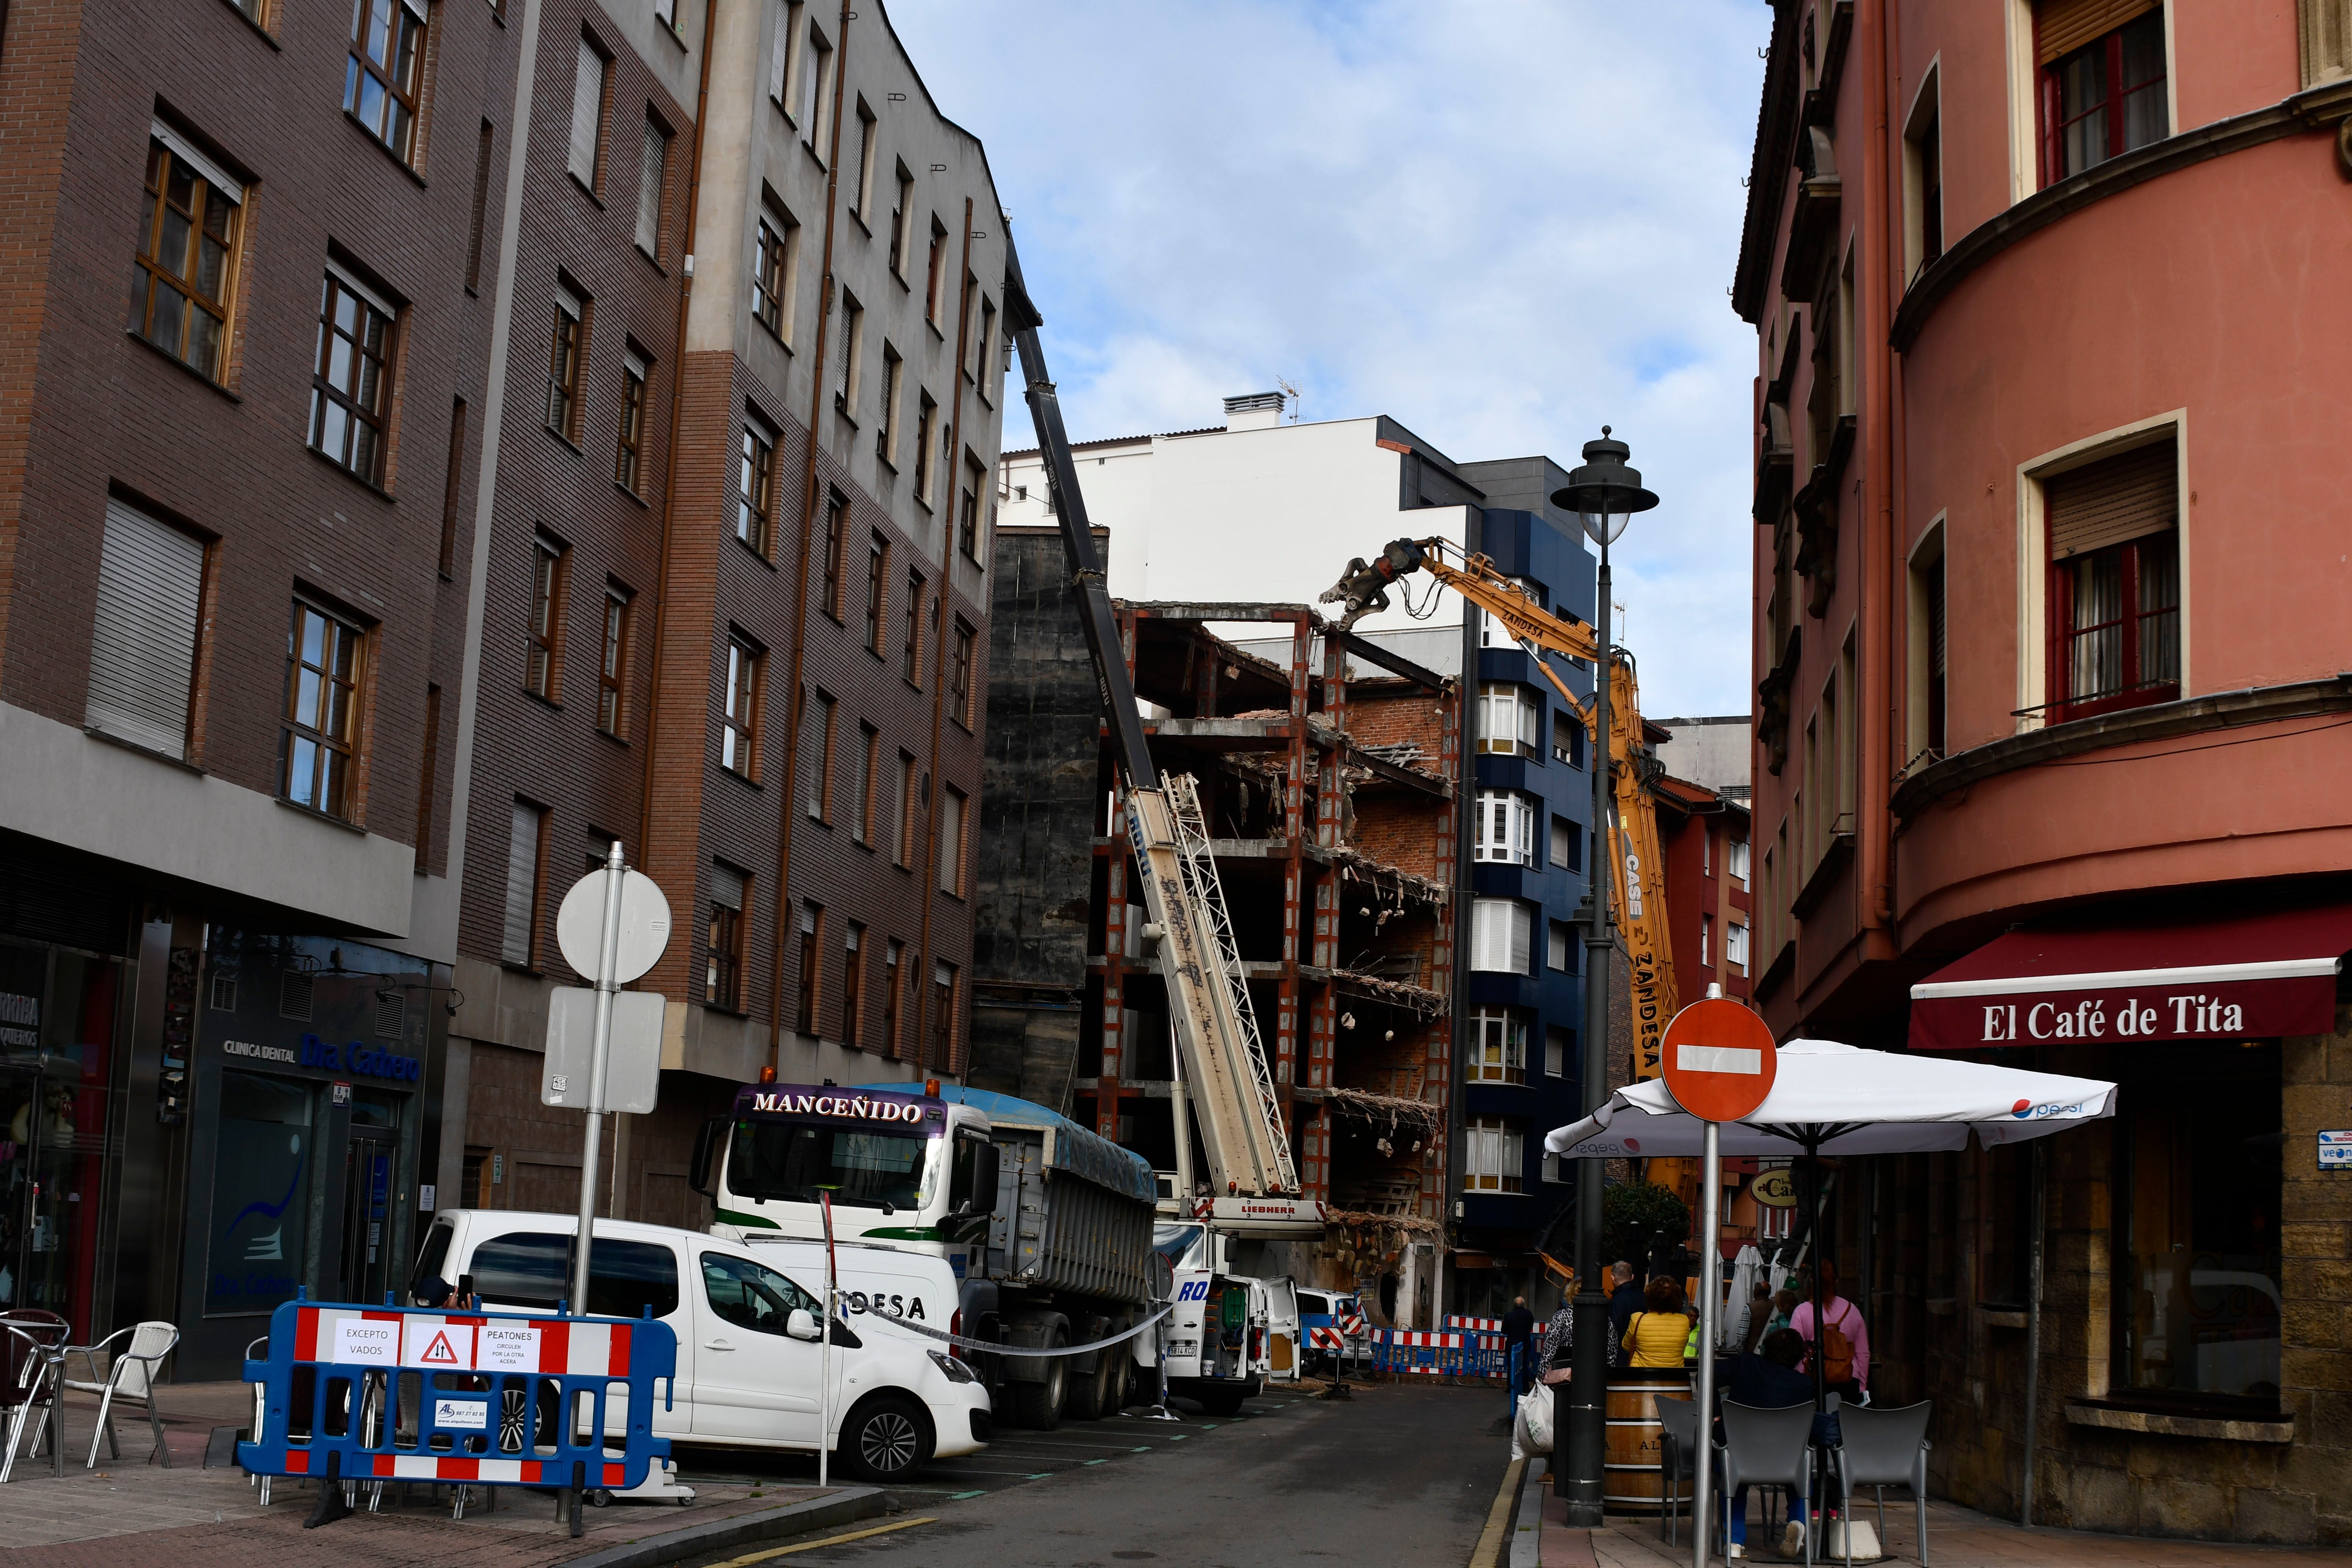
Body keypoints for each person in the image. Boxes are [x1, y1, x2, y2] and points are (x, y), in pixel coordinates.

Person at [1719, 1328, 1821, 1560]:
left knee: (1731, 1473)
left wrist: (1716, 1412)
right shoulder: (1804, 1385)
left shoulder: (1745, 1363)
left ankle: (1735, 1541)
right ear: (1798, 1356)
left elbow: (1710, 1376)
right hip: (1786, 1461)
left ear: (1766, 1347)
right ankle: (1798, 1521)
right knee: (1803, 1467)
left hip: (1742, 1455)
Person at [1790, 1259, 1869, 1403]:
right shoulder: (1852, 1311)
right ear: (1837, 1282)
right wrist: (1862, 1386)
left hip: (1811, 1377)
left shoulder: (1802, 1312)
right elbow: (1863, 1354)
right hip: (1849, 1378)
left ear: (1812, 1280)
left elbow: (1794, 1351)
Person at [1621, 1276, 1690, 1369]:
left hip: (1641, 1377)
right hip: (1673, 1378)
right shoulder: (1684, 1321)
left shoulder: (1638, 1319)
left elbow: (1627, 1347)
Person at [1606, 1260, 1645, 1366]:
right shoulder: (1645, 1297)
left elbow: (1613, 1333)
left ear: (1613, 1277)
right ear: (1632, 1277)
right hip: (1641, 1359)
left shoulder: (1616, 1301)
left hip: (1621, 1360)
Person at [1501, 1295, 1538, 1393]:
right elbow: (1530, 1327)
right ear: (1523, 1304)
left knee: (1511, 1366)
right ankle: (1525, 1386)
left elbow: (1504, 1331)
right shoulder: (1529, 1314)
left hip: (1512, 1345)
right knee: (1524, 1365)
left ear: (1515, 1305)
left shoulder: (1509, 1315)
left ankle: (1511, 1386)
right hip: (1524, 1344)